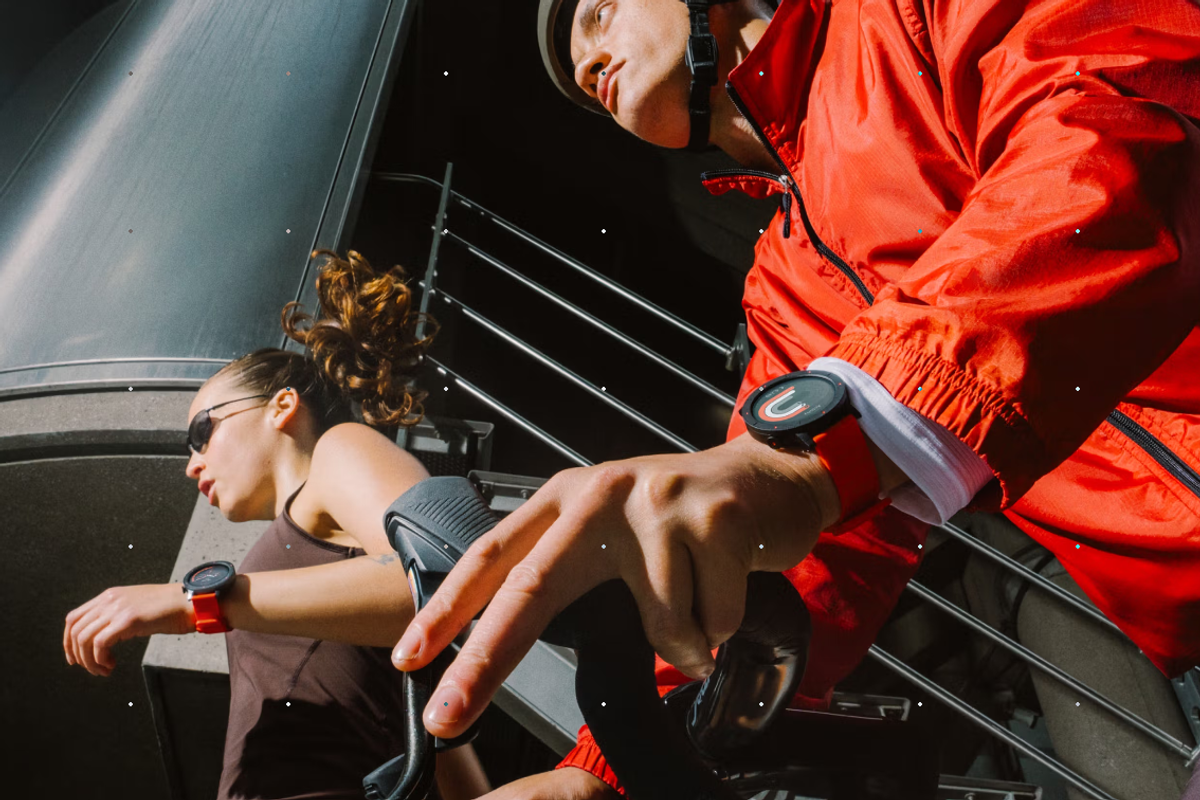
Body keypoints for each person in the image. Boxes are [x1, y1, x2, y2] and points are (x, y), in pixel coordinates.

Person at [387, 1, 1200, 798]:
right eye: (579, 79)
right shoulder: (783, 285)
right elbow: (807, 548)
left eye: (598, 15)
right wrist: (602, 769)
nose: (588, 65)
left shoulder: (901, 17)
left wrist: (832, 446)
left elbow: (1115, 129)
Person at [63, 250, 492, 800]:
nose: (191, 464)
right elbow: (439, 726)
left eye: (201, 433)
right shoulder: (299, 563)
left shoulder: (340, 448)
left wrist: (194, 602)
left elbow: (443, 583)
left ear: (281, 405)